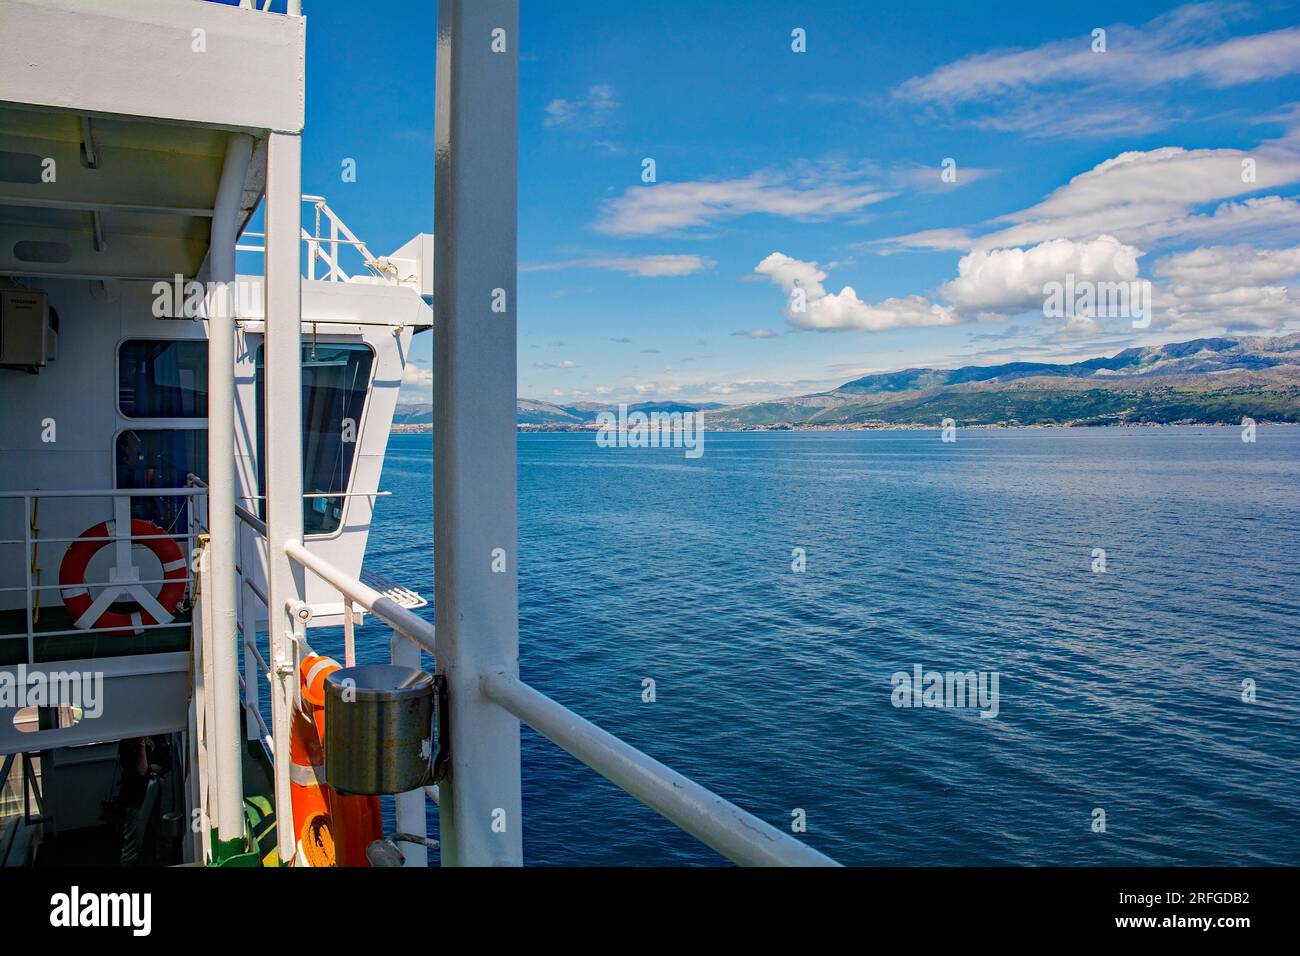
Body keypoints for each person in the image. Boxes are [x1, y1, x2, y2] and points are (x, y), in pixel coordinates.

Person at [118, 735, 171, 866]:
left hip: (158, 788)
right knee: (134, 838)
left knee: (162, 833)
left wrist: (151, 768)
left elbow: (166, 764)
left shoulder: (158, 737)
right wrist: (141, 747)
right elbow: (142, 770)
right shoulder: (128, 742)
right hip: (137, 794)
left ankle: (161, 860)